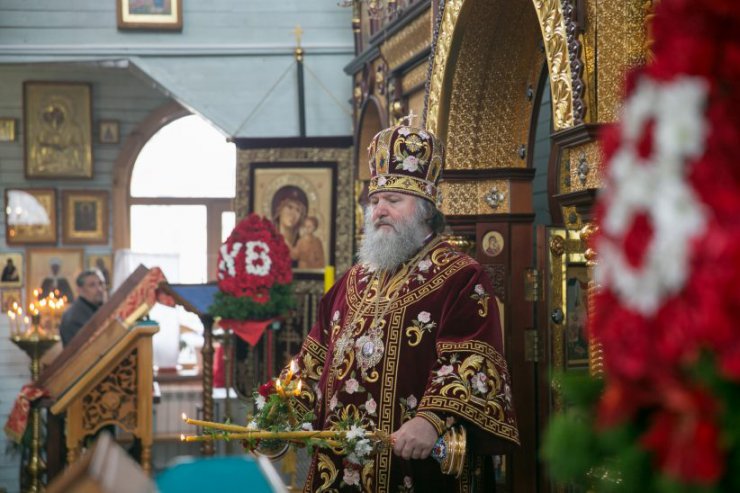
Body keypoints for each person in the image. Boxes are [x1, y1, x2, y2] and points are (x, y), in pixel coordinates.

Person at [288, 122, 519, 492]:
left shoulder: (461, 277)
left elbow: (473, 364)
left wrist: (432, 419)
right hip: (342, 464)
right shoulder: (350, 282)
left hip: (415, 464)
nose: (379, 210)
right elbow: (312, 361)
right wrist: (280, 407)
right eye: (375, 201)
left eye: (393, 201)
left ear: (425, 210)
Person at [59, 270, 107, 346]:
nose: (99, 289)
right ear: (80, 290)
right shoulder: (74, 318)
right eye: (92, 285)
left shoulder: (96, 308)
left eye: (101, 283)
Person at [272, 185, 308, 250]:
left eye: (298, 210)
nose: (293, 214)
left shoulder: (303, 246)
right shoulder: (269, 241)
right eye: (289, 207)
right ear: (279, 209)